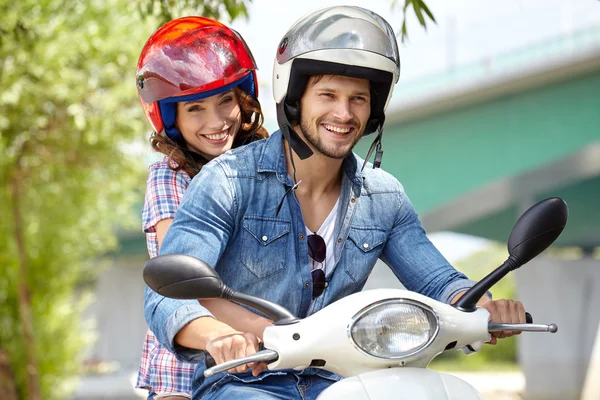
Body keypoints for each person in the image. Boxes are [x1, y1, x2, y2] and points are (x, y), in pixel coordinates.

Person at [145, 6, 527, 400]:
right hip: (247, 382)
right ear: (294, 99)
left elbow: (439, 281)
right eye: (327, 95)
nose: (344, 114)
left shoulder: (384, 197)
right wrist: (221, 336)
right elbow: (166, 295)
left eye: (358, 99)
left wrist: (486, 305)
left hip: (345, 381)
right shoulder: (226, 180)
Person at [134, 16, 268, 400]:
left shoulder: (263, 165)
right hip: (189, 353)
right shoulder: (170, 177)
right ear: (170, 115)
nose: (216, 121)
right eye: (195, 108)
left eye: (225, 100)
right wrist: (244, 331)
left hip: (261, 346)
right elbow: (178, 276)